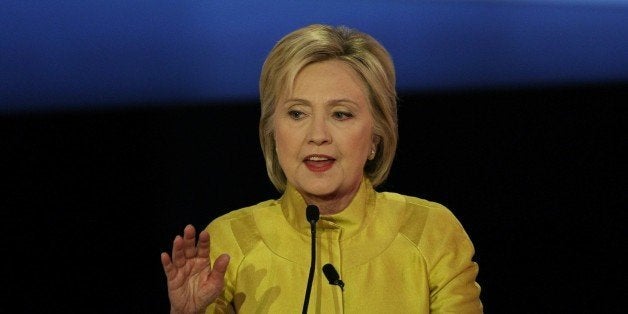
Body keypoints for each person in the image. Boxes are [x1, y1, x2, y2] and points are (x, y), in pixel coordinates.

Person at [160, 23, 483, 313]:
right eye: (297, 114)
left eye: (341, 114)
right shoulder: (230, 241)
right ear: (272, 132)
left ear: (376, 135)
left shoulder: (429, 231)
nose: (317, 136)